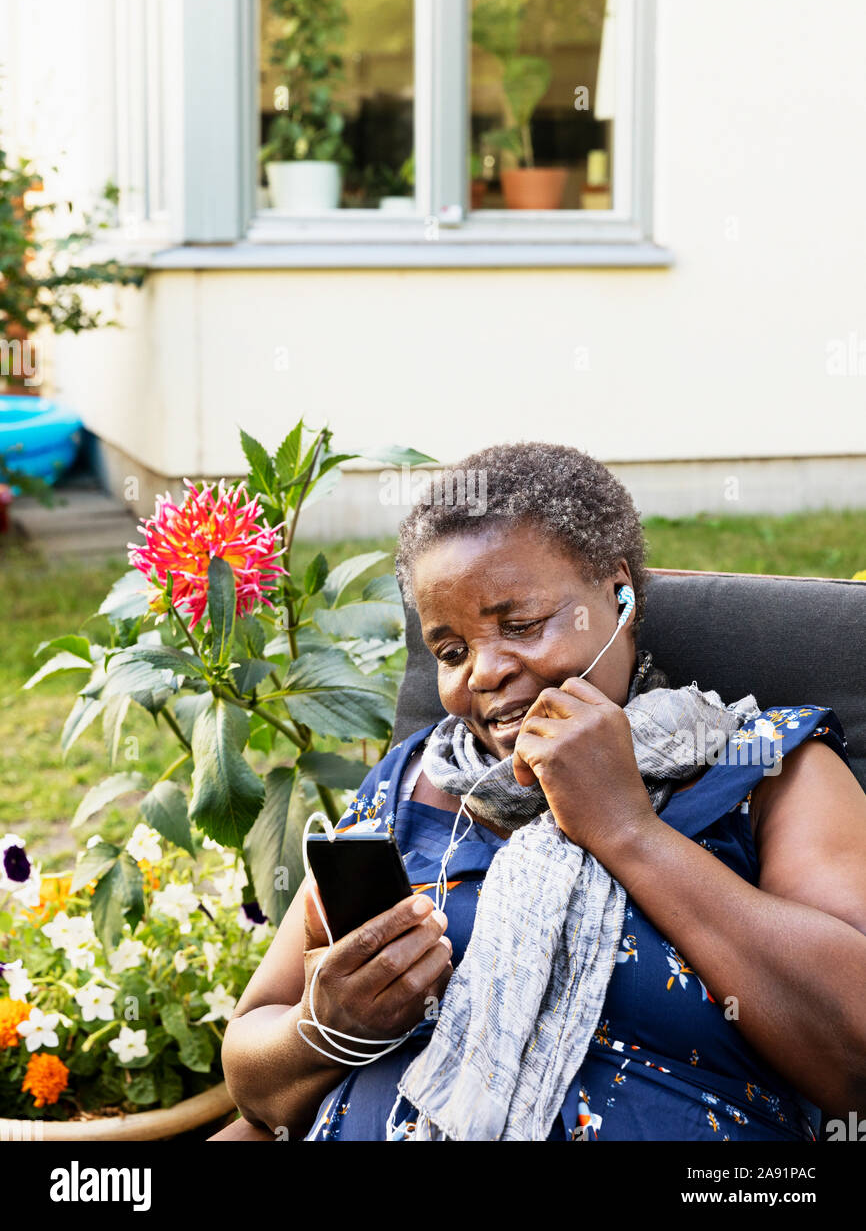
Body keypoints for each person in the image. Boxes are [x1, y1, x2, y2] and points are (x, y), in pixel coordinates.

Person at [215, 442, 866, 1142]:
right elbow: (252, 1072)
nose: (485, 673)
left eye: (520, 625)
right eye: (452, 651)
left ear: (618, 591)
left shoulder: (764, 766)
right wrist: (327, 1026)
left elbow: (854, 1058)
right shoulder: (413, 783)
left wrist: (626, 829)